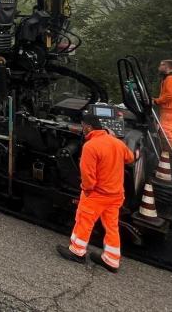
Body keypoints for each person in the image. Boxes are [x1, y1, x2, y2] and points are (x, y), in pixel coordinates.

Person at [57, 113, 135, 273]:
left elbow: (88, 176)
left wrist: (87, 190)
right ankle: (112, 260)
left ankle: (76, 251)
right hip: (116, 195)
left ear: (88, 127)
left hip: (97, 194)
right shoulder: (116, 143)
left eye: (83, 126)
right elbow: (130, 158)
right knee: (112, 226)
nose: (82, 129)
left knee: (84, 220)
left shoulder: (90, 146)